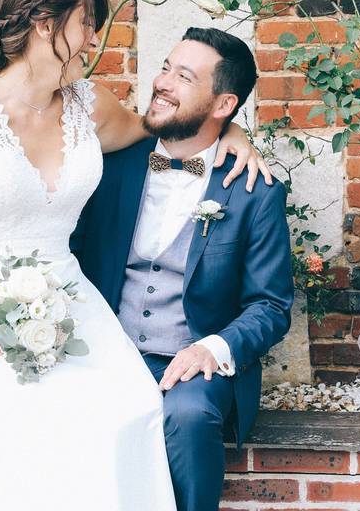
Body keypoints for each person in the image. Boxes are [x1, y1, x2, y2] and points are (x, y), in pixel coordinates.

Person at [0, 0, 270, 510]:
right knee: (16, 452)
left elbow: (166, 127)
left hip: (73, 307)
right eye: (85, 25)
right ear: (46, 26)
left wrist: (232, 128)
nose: (93, 41)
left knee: (128, 415)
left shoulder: (88, 107)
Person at [72, 27, 294, 511]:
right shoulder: (107, 166)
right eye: (166, 67)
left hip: (190, 364)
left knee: (189, 416)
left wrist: (212, 348)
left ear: (222, 105)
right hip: (107, 350)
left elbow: (272, 305)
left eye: (184, 76)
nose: (163, 82)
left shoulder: (254, 190)